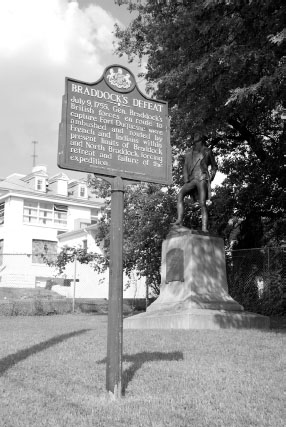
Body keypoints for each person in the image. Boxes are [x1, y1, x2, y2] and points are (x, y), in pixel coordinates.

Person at [174, 131, 218, 232]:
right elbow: (185, 166)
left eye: (197, 134)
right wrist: (185, 178)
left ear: (202, 138)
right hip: (191, 179)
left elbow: (214, 166)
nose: (195, 136)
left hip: (201, 178)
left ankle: (204, 228)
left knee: (202, 203)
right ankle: (179, 220)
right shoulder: (189, 152)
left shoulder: (207, 151)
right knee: (180, 195)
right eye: (195, 135)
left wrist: (211, 177)